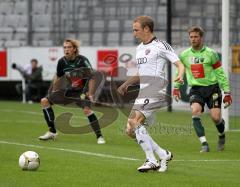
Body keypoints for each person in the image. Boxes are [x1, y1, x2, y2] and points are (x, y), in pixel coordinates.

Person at [117, 16, 184, 172]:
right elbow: (141, 72)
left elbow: (179, 64)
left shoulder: (161, 46)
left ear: (147, 28)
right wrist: (126, 83)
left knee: (135, 121)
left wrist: (180, 74)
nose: (134, 33)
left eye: (136, 30)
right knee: (130, 130)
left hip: (156, 87)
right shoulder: (140, 48)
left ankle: (151, 160)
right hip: (144, 90)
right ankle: (163, 153)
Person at [173, 26, 232, 152]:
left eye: (196, 37)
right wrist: (176, 88)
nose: (193, 39)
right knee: (195, 111)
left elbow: (220, 73)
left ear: (201, 37)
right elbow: (179, 72)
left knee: (216, 117)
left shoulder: (211, 54)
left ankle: (221, 135)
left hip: (212, 89)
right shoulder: (184, 55)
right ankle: (204, 144)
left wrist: (227, 92)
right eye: (191, 37)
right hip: (196, 89)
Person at [38, 39, 106, 144]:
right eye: (64, 47)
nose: (66, 49)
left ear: (74, 49)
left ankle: (99, 136)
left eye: (69, 47)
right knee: (44, 101)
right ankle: (52, 132)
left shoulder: (82, 60)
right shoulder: (61, 61)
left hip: (81, 91)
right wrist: (54, 90)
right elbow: (58, 76)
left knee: (87, 110)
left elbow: (92, 77)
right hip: (67, 90)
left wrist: (91, 93)